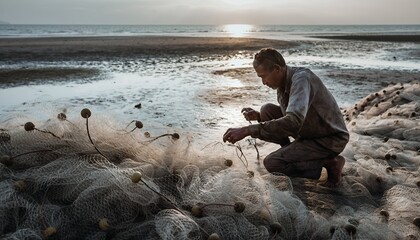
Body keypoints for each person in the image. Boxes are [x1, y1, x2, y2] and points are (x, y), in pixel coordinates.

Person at [223, 48, 349, 187]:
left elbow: (293, 121)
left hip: (329, 138)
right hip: (308, 131)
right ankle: (291, 152)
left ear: (277, 69)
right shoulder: (281, 86)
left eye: (263, 76)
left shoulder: (301, 78)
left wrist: (247, 130)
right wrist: (258, 117)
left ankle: (330, 163)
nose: (263, 82)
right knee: (266, 110)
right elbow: (290, 118)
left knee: (272, 163)